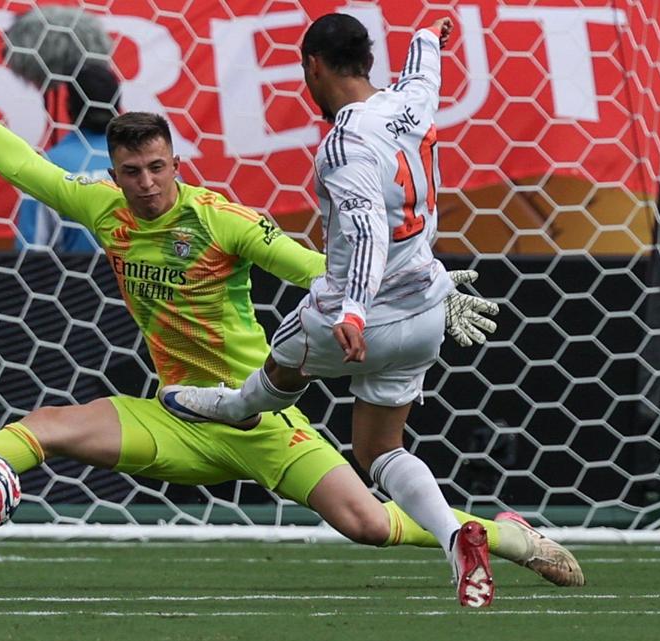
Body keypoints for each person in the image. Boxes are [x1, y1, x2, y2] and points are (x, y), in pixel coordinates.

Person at [0, 16, 580, 609]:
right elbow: (24, 166)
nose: (146, 183)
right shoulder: (103, 208)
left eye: (158, 168)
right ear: (116, 172)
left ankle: (504, 539)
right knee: (49, 425)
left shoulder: (223, 221)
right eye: (131, 171)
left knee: (366, 523)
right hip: (178, 413)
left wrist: (427, 288)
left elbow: (319, 265)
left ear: (176, 165)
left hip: (258, 418)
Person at [159, 14, 583, 606]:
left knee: (282, 367)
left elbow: (364, 232)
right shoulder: (409, 104)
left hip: (358, 313)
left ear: (312, 66)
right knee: (379, 451)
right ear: (367, 60)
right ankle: (455, 536)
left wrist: (353, 310)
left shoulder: (343, 143)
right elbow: (424, 77)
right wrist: (427, 41)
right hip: (426, 309)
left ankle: (234, 409)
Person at [14, 62, 119, 252]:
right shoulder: (152, 162)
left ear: (69, 107)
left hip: (73, 280)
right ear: (118, 105)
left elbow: (30, 255)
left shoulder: (48, 165)